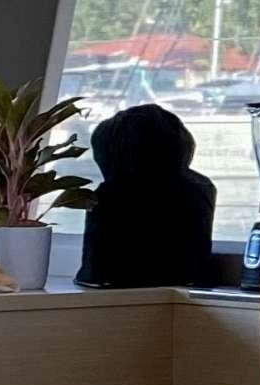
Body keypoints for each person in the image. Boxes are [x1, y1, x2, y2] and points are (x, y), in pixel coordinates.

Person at [75, 102, 218, 289]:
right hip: (186, 282)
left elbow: (98, 271)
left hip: (119, 288)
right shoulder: (200, 189)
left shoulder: (109, 197)